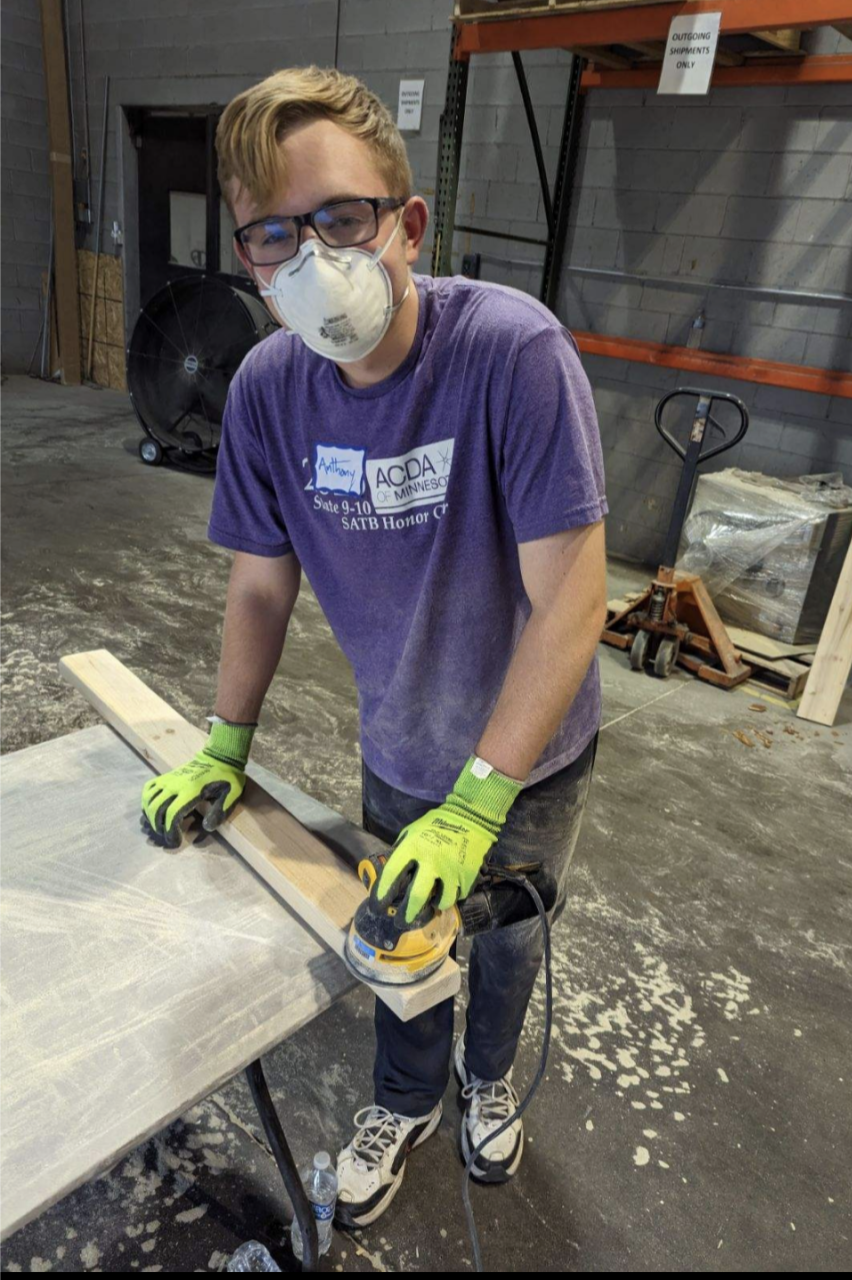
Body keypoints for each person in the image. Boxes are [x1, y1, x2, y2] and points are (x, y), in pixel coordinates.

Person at [139, 65, 608, 1228]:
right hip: (400, 734)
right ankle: (404, 1099)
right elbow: (260, 587)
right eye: (273, 233)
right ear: (247, 256)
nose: (310, 258)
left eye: (340, 218)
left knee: (502, 938)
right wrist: (224, 742)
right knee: (401, 939)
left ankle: (486, 1076)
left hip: (529, 747)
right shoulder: (265, 389)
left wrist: (482, 796)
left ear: (408, 224)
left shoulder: (510, 352)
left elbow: (570, 598)